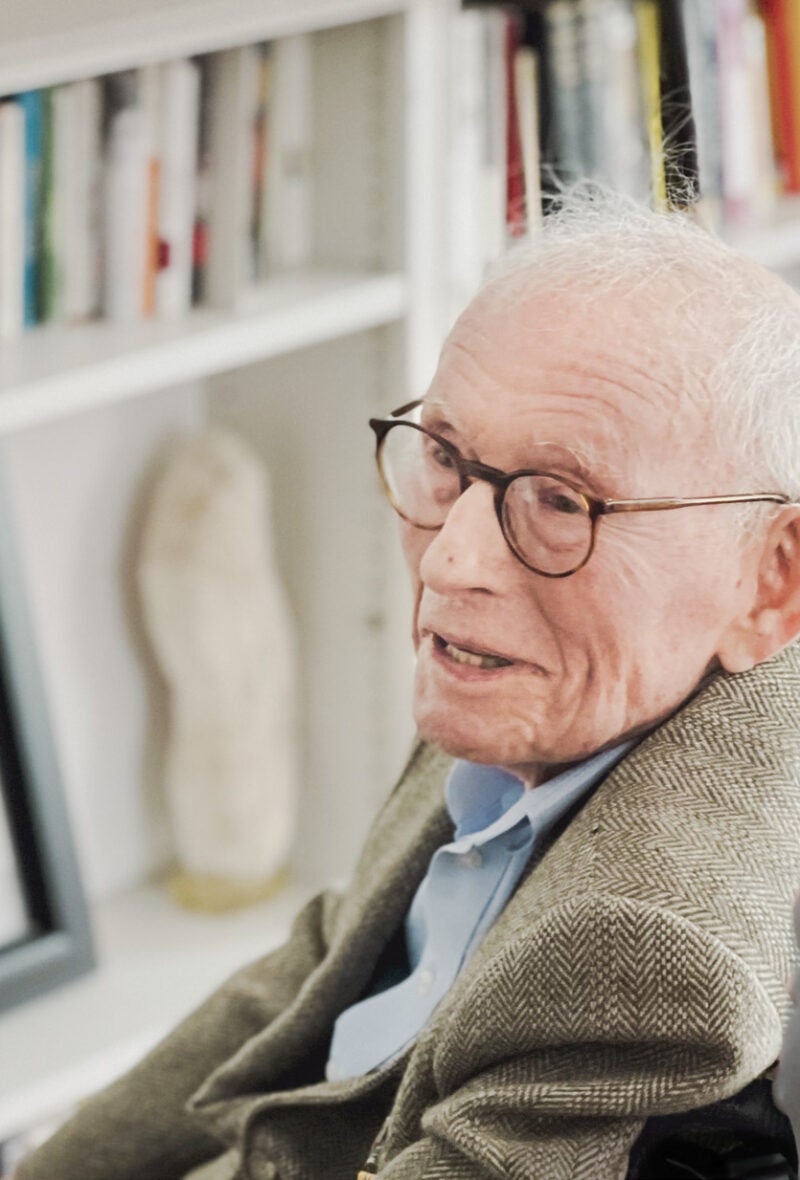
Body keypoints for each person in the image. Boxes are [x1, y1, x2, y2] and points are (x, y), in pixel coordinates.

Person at [16, 189, 800, 1180]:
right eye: (443, 456)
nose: (450, 562)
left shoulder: (648, 952)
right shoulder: (543, 674)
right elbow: (324, 968)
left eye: (560, 499)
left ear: (771, 579)